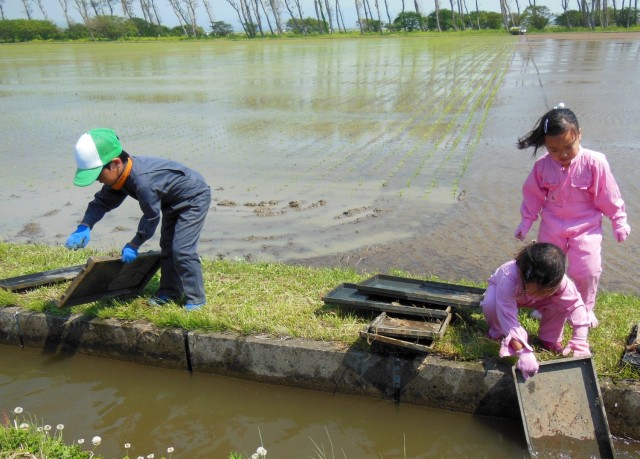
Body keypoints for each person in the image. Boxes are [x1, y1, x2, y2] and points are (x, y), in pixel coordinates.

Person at [64, 128, 211, 311]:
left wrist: (134, 244)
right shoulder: (120, 176)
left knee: (182, 250)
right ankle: (169, 291)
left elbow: (151, 217)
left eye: (98, 175)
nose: (97, 180)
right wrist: (85, 226)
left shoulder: (143, 182)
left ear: (115, 163)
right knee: (167, 247)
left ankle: (196, 299)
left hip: (193, 198)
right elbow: (101, 202)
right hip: (170, 200)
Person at [514, 103, 630, 328]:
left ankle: (585, 309)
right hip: (552, 225)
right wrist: (526, 221)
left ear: (579, 134)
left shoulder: (595, 162)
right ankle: (547, 305)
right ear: (546, 146)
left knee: (586, 269)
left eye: (568, 146)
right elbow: (532, 196)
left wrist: (619, 221)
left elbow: (609, 194)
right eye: (554, 150)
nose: (562, 155)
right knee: (546, 268)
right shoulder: (542, 166)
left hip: (586, 226)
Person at [481, 242, 591, 380]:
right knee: (491, 305)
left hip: (535, 299)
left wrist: (580, 339)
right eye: (539, 289)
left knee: (559, 304)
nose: (544, 292)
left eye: (548, 290)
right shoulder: (509, 276)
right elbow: (507, 314)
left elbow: (575, 305)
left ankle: (550, 338)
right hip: (506, 294)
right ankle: (497, 332)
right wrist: (522, 351)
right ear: (524, 276)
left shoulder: (559, 281)